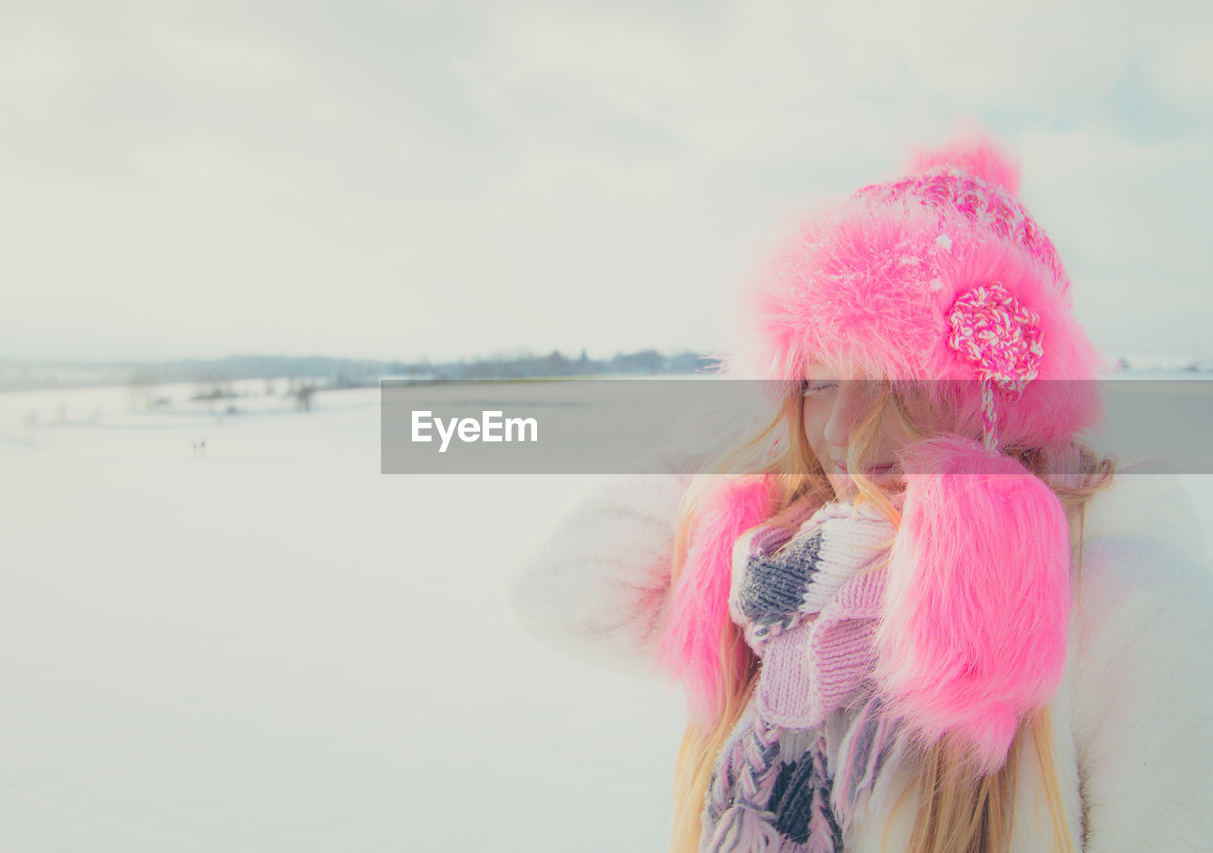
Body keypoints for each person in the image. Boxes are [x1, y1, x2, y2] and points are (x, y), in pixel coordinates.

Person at [507, 130, 1213, 852]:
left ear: (999, 396)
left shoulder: (1125, 606)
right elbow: (560, 588)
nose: (844, 427)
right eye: (817, 380)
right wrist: (750, 442)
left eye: (895, 374)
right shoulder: (781, 582)